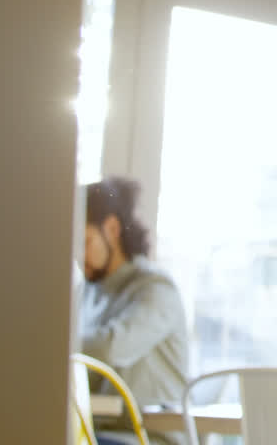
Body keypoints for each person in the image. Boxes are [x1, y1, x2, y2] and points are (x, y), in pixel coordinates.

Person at [80, 176, 189, 443]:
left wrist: (51, 350)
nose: (79, 257)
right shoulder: (90, 294)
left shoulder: (156, 289)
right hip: (101, 432)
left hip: (148, 438)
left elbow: (111, 348)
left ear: (112, 229)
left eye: (85, 242)